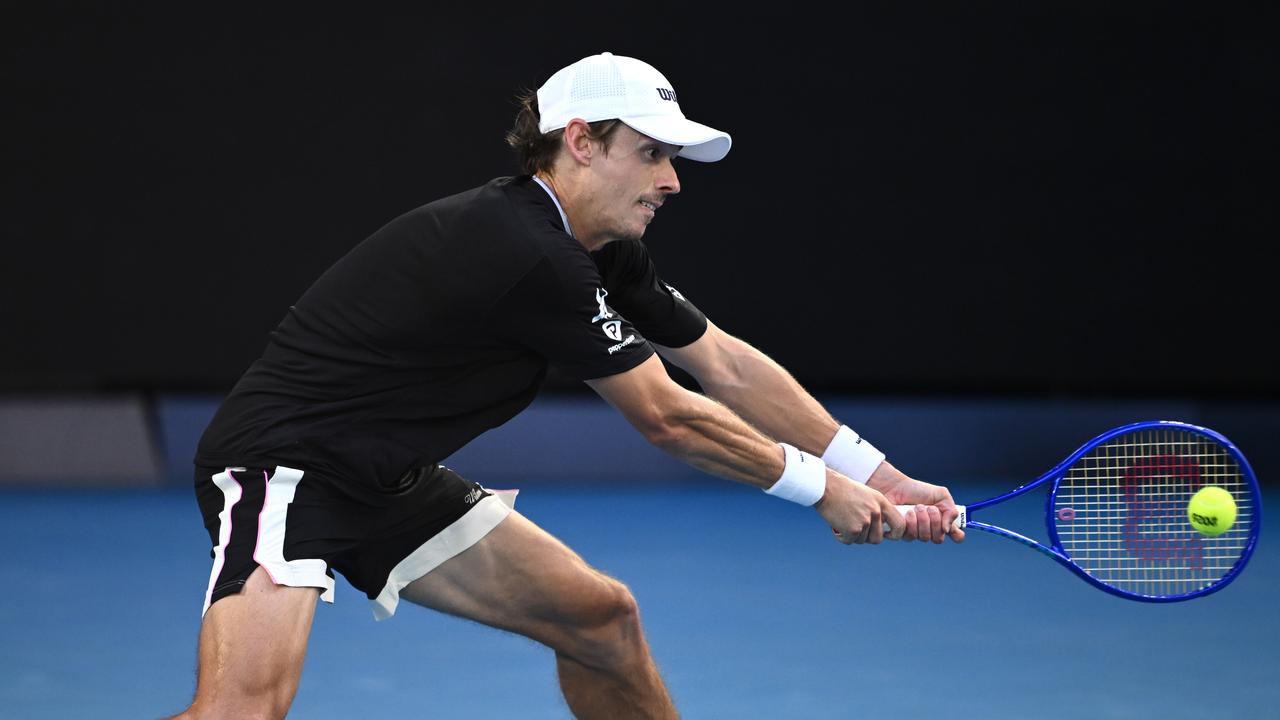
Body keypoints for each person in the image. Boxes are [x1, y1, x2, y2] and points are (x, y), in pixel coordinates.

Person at [174, 51, 965, 720]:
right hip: (287, 466)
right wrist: (821, 490)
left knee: (601, 621)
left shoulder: (599, 248)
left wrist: (880, 476)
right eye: (651, 154)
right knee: (242, 711)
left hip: (386, 479)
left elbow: (724, 364)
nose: (672, 181)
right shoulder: (525, 250)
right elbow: (669, 418)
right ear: (581, 142)